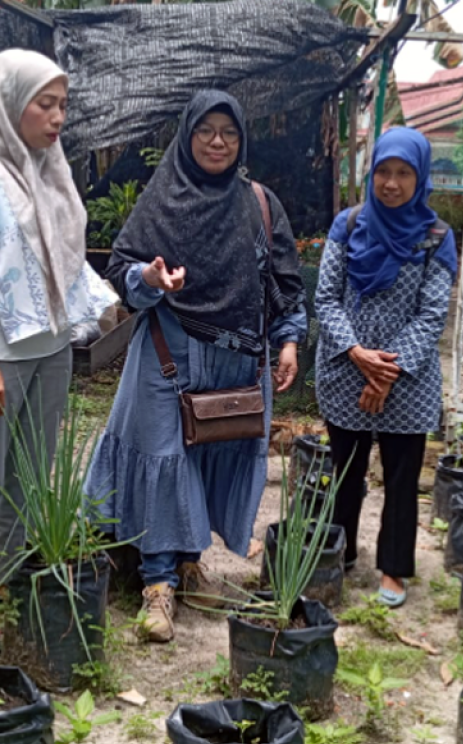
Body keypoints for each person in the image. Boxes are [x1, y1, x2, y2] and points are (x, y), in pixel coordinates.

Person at [84, 90, 308, 643]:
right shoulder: (164, 199)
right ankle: (157, 584)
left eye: (228, 132)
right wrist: (151, 282)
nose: (216, 141)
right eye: (205, 130)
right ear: (186, 136)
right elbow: (122, 269)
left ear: (241, 141)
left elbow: (283, 282)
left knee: (208, 458)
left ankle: (189, 562)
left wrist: (288, 342)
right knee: (163, 457)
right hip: (170, 349)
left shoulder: (259, 203)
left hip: (238, 358)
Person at [0, 50, 118, 656]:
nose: (58, 117)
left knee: (30, 475)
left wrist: (111, 301)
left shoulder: (45, 165)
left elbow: (63, 253)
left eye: (63, 104)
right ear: (10, 102)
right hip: (0, 352)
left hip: (51, 344)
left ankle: (2, 578)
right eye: (46, 103)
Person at [314, 127, 456, 609]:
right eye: (383, 172)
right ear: (371, 174)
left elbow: (432, 312)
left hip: (407, 381)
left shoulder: (436, 237)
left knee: (401, 476)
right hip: (346, 371)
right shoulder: (348, 225)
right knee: (346, 471)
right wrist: (357, 353)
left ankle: (394, 567)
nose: (391, 184)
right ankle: (341, 550)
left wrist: (387, 370)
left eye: (403, 173)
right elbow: (327, 299)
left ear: (420, 179)